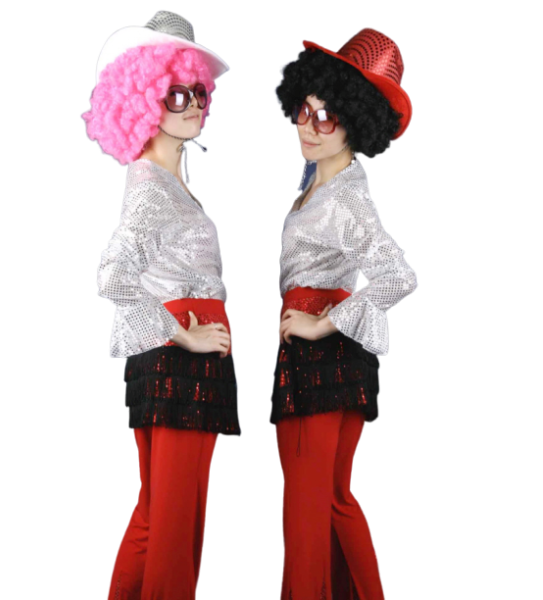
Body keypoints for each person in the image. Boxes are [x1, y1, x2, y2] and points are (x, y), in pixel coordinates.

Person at [80, 10, 242, 599]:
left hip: (179, 364)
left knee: (155, 520)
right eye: (177, 93)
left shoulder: (171, 184)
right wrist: (185, 333)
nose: (193, 103)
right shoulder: (149, 185)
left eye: (199, 92)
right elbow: (111, 277)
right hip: (178, 362)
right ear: (143, 99)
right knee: (176, 527)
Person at [270, 28, 419, 599]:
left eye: (326, 117)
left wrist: (322, 321)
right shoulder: (323, 183)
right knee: (333, 499)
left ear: (356, 122)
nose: (308, 127)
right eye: (304, 112)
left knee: (309, 507)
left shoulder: (347, 197)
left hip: (321, 354)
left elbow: (398, 277)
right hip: (329, 356)